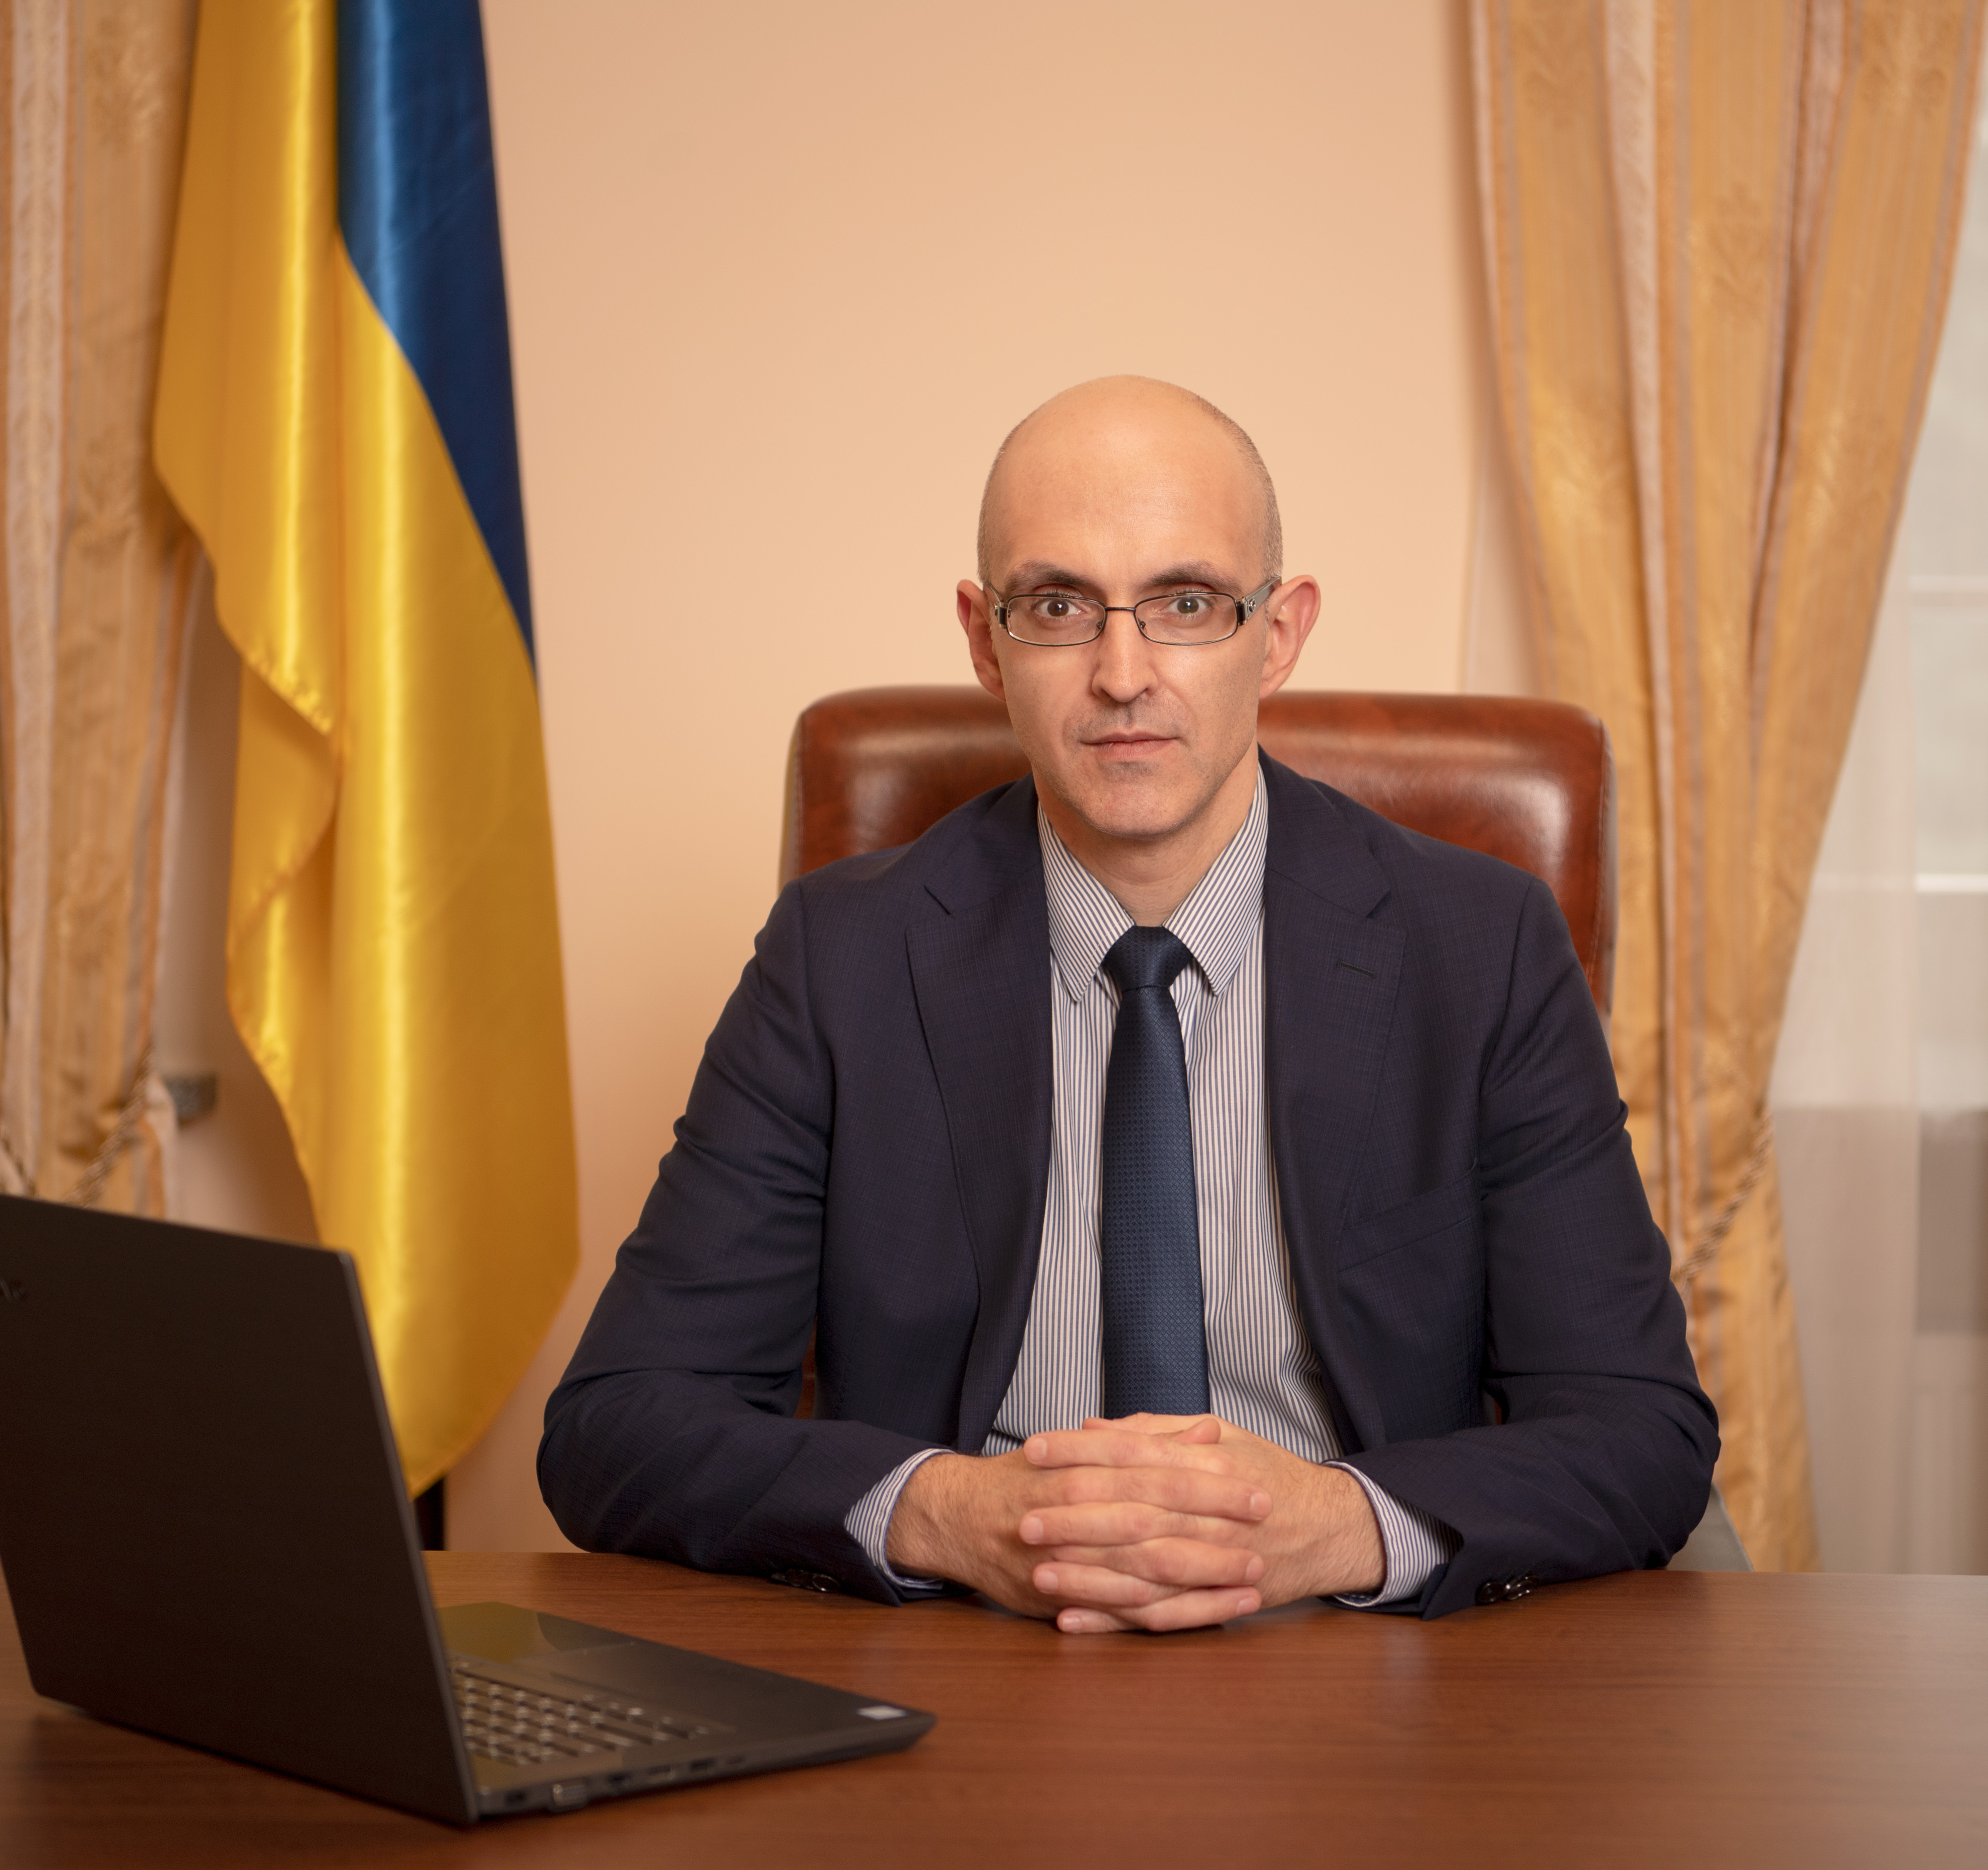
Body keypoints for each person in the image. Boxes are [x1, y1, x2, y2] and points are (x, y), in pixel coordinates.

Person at [540, 376, 1717, 1630]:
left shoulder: (1481, 948)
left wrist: (1333, 1525)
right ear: (985, 640)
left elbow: (1637, 1426)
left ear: (1279, 633)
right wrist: (950, 1513)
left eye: (1186, 603)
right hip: (970, 1641)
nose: (1121, 673)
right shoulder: (840, 957)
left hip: (1348, 1647)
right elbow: (619, 1421)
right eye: (1057, 606)